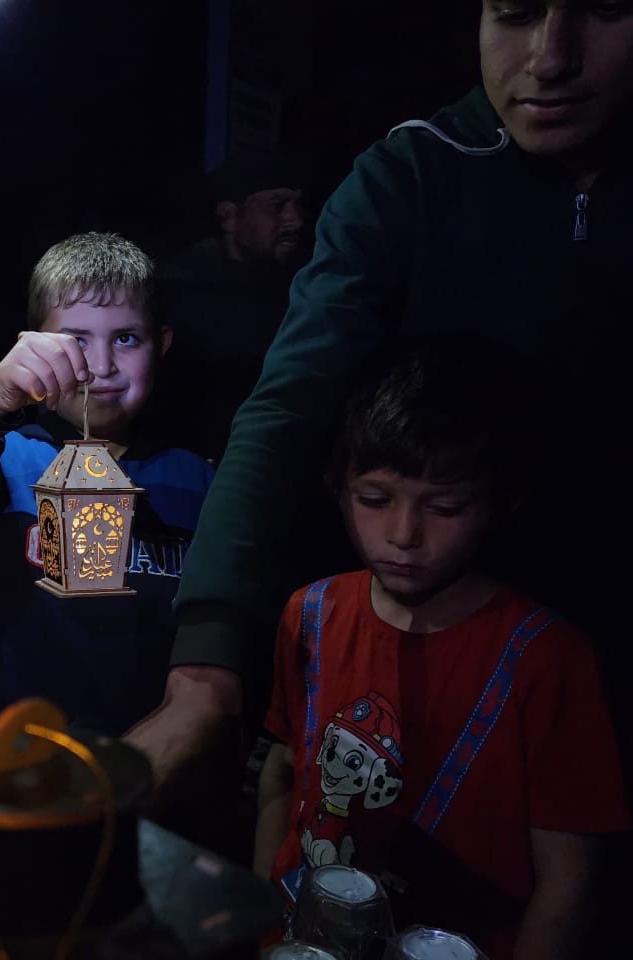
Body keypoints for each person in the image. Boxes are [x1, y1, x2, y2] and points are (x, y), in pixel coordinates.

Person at [126, 0, 633, 816]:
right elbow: (288, 406)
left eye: (604, 10)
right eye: (513, 12)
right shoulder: (410, 175)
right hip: (414, 661)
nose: (549, 58)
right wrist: (207, 666)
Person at [253, 342, 628, 959]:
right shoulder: (311, 613)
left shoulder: (547, 658)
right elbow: (283, 770)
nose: (403, 535)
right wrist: (263, 924)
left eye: (445, 507)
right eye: (374, 500)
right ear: (336, 486)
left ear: (501, 501)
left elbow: (571, 880)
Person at [0, 232, 213, 736]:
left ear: (161, 345)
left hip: (154, 758)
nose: (101, 367)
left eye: (126, 338)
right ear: (32, 347)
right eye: (76, 341)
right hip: (16, 755)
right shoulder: (4, 462)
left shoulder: (202, 483)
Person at [151, 149, 310, 461]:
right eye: (277, 206)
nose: (295, 219)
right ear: (229, 217)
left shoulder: (301, 287)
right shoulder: (180, 290)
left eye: (298, 205)